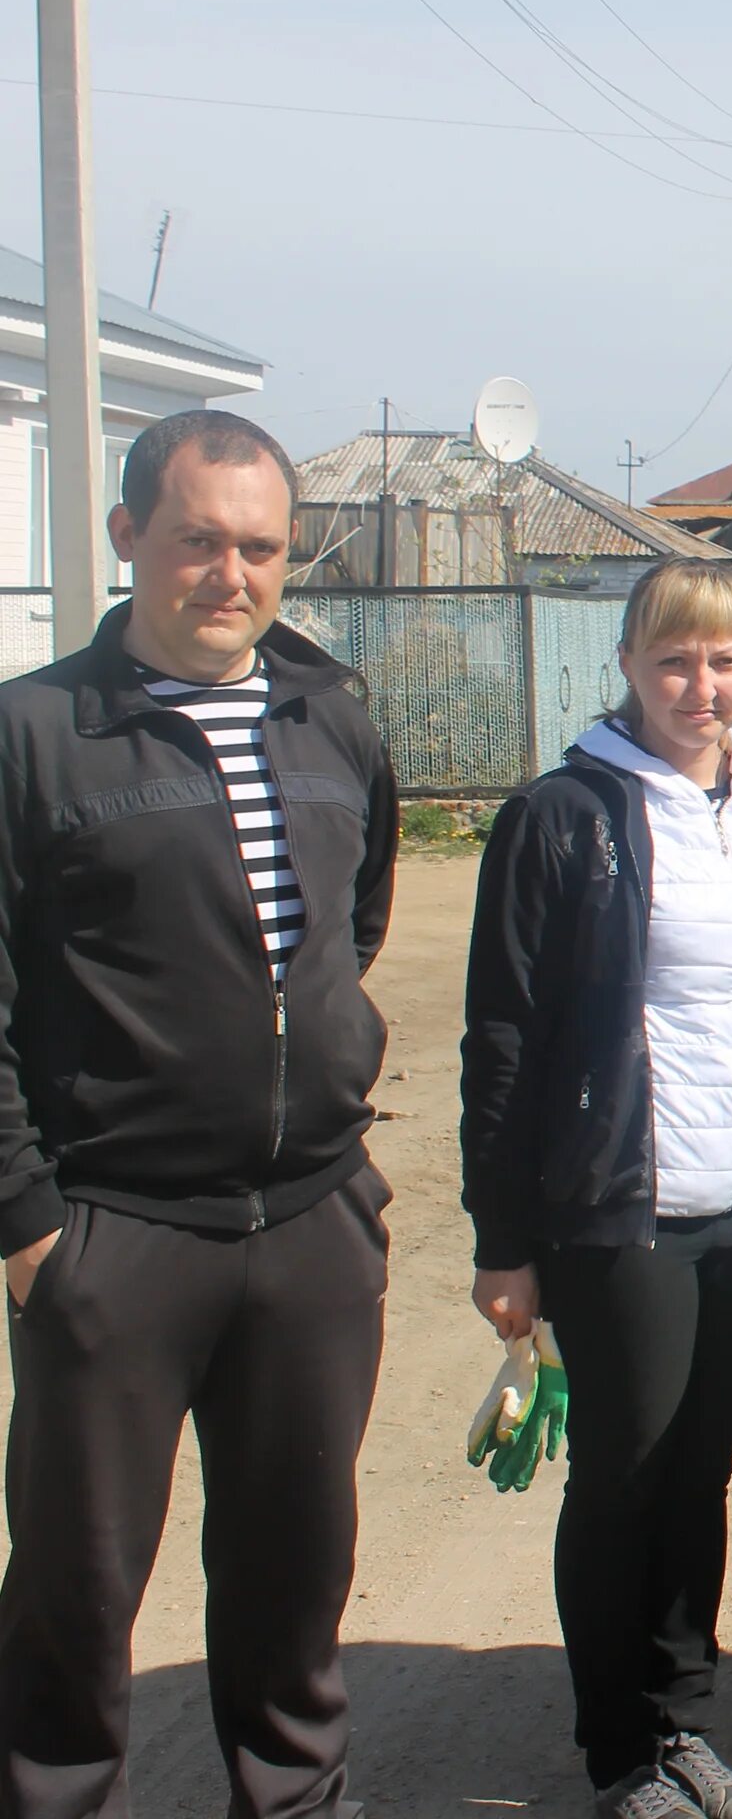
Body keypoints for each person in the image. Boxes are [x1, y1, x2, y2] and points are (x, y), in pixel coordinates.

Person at [0, 410, 399, 1819]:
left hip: (309, 1224)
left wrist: (338, 1154)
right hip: (118, 1233)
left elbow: (350, 924)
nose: (230, 575)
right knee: (74, 1588)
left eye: (259, 548)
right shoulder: (37, 733)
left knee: (297, 1574)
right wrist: (31, 1225)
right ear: (124, 538)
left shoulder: (331, 716)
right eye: (196, 542)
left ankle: (292, 1803)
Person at [460, 559, 732, 1819]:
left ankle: (686, 1727)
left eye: (726, 659)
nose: (701, 685)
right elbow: (500, 1039)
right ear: (624, 663)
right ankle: (621, 1751)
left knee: (703, 1468)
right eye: (675, 659)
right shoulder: (560, 815)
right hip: (623, 1209)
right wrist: (503, 1240)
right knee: (624, 1471)